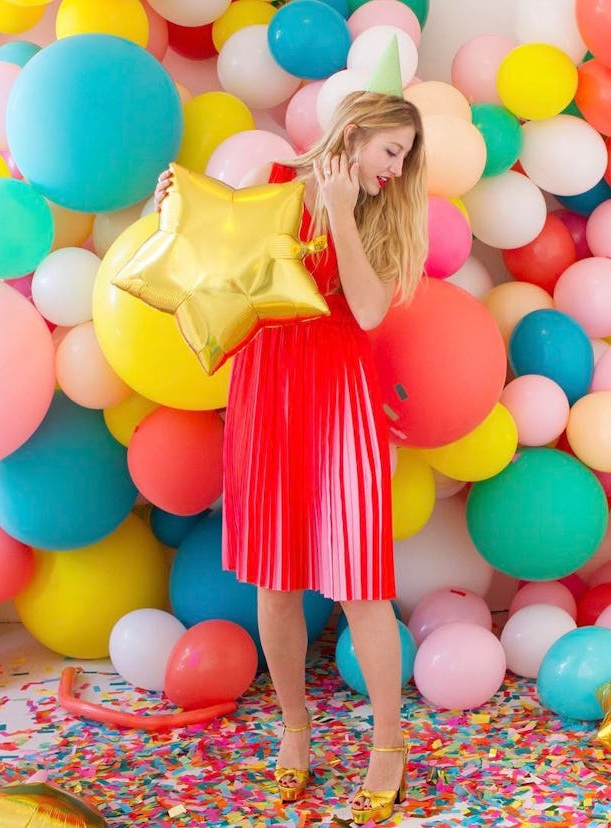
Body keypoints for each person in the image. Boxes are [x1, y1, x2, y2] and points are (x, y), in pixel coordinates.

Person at [154, 90, 427, 824]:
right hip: (268, 395)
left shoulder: (380, 215)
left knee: (359, 586)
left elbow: (367, 311)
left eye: (405, 158)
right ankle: (296, 732)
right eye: (390, 151)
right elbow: (214, 268)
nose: (397, 172)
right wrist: (169, 213)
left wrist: (341, 206)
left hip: (341, 399)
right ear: (355, 134)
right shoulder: (273, 182)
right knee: (275, 582)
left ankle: (389, 746)